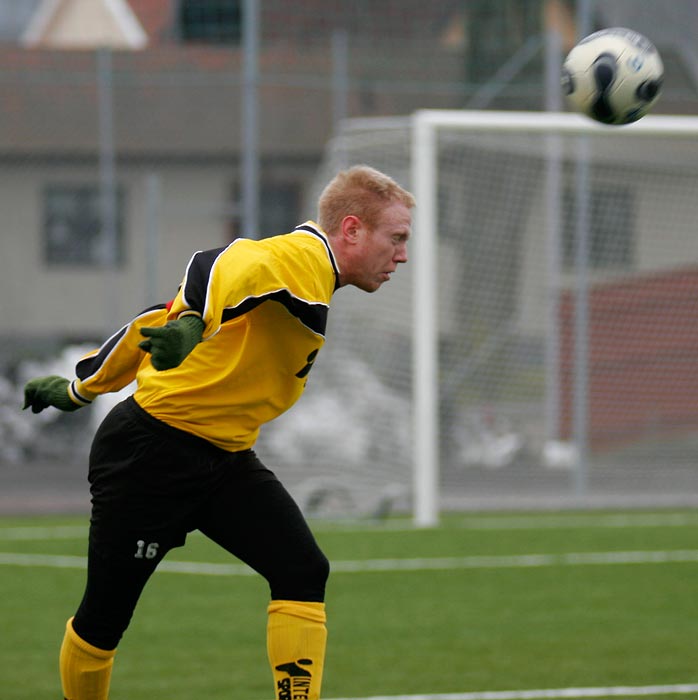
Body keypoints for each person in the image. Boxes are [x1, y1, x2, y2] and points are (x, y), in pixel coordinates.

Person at [22, 164, 414, 700]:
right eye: (396, 238)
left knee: (301, 569)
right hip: (151, 456)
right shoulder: (300, 259)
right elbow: (219, 263)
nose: (403, 255)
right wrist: (192, 321)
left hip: (225, 459)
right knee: (104, 619)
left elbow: (150, 321)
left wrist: (81, 387)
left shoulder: (311, 275)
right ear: (351, 230)